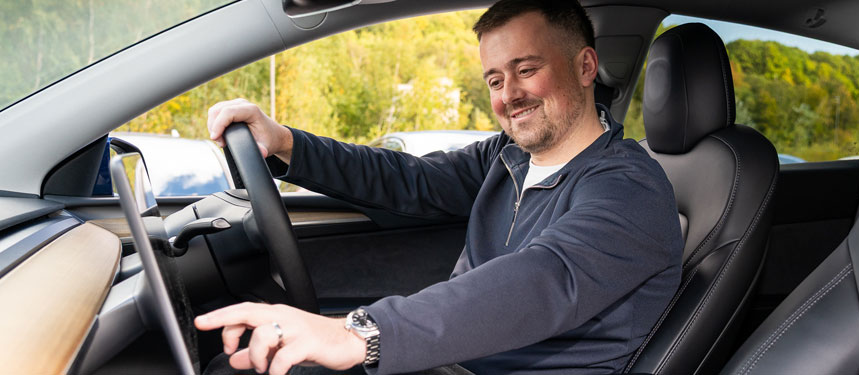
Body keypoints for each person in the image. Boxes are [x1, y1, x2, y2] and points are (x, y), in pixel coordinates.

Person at [195, 0, 683, 374]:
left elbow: (543, 281)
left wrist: (360, 333)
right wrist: (286, 143)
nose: (509, 95)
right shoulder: (508, 156)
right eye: (495, 80)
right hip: (457, 359)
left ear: (585, 67)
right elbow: (408, 178)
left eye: (526, 70)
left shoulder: (630, 189)